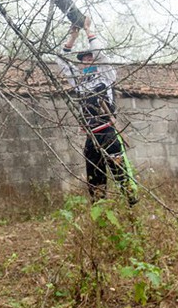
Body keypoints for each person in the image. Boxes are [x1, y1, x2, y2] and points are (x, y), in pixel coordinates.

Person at [56, 17, 139, 206]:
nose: (87, 61)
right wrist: (72, 37)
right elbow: (60, 61)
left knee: (121, 173)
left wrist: (87, 30)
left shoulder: (106, 75)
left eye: (90, 57)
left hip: (109, 133)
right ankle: (99, 209)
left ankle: (132, 205)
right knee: (95, 177)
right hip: (91, 137)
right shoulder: (78, 82)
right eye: (83, 59)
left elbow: (101, 54)